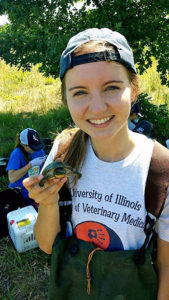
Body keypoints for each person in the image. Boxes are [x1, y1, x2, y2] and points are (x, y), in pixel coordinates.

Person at [23, 28, 169, 299]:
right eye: (80, 92)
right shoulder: (63, 151)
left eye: (111, 88)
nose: (98, 107)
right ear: (65, 99)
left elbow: (165, 265)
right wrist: (49, 201)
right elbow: (46, 244)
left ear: (134, 89)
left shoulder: (161, 171)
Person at [6, 128, 46, 208]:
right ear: (24, 145)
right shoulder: (17, 154)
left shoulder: (39, 150)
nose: (36, 149)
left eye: (37, 145)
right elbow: (12, 178)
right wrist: (30, 165)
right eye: (33, 146)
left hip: (36, 190)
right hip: (21, 193)